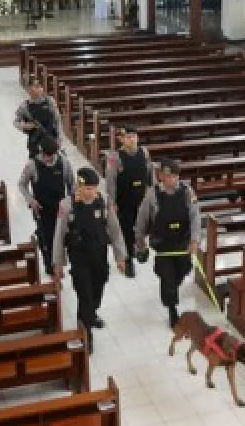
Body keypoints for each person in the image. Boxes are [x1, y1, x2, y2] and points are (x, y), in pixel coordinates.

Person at [52, 167, 127, 352]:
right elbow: (59, 235)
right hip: (79, 258)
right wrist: (58, 263)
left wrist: (120, 256)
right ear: (79, 186)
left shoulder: (104, 201)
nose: (92, 192)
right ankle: (86, 334)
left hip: (99, 256)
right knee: (84, 295)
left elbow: (115, 230)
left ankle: (90, 314)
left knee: (97, 292)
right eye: (88, 188)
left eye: (94, 188)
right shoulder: (67, 205)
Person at [135, 158, 202, 328]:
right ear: (160, 176)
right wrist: (140, 242)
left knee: (182, 271)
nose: (171, 179)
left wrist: (194, 240)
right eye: (167, 176)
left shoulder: (187, 192)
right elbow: (142, 219)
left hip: (182, 243)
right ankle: (172, 309)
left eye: (174, 176)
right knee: (168, 278)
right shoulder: (152, 194)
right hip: (163, 245)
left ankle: (171, 289)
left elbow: (195, 217)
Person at [17, 136, 75, 274]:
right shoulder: (32, 165)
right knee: (47, 238)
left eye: (51, 155)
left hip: (60, 208)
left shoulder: (64, 162)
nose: (48, 158)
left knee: (61, 237)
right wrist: (31, 200)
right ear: (41, 152)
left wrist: (72, 201)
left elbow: (72, 184)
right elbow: (22, 184)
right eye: (45, 155)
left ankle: (59, 264)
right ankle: (50, 267)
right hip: (41, 209)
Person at [104, 125, 152, 278]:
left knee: (142, 226)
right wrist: (112, 202)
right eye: (127, 137)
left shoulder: (144, 152)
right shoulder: (115, 157)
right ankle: (128, 259)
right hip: (124, 201)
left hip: (142, 199)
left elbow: (150, 174)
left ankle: (140, 248)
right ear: (121, 139)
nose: (131, 139)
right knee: (125, 230)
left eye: (133, 136)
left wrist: (152, 193)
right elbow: (111, 182)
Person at [13, 80, 63, 156]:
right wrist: (25, 126)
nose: (37, 89)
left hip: (52, 139)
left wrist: (59, 139)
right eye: (34, 87)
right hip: (35, 142)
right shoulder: (25, 106)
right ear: (29, 90)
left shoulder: (50, 101)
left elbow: (57, 120)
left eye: (38, 86)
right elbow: (15, 122)